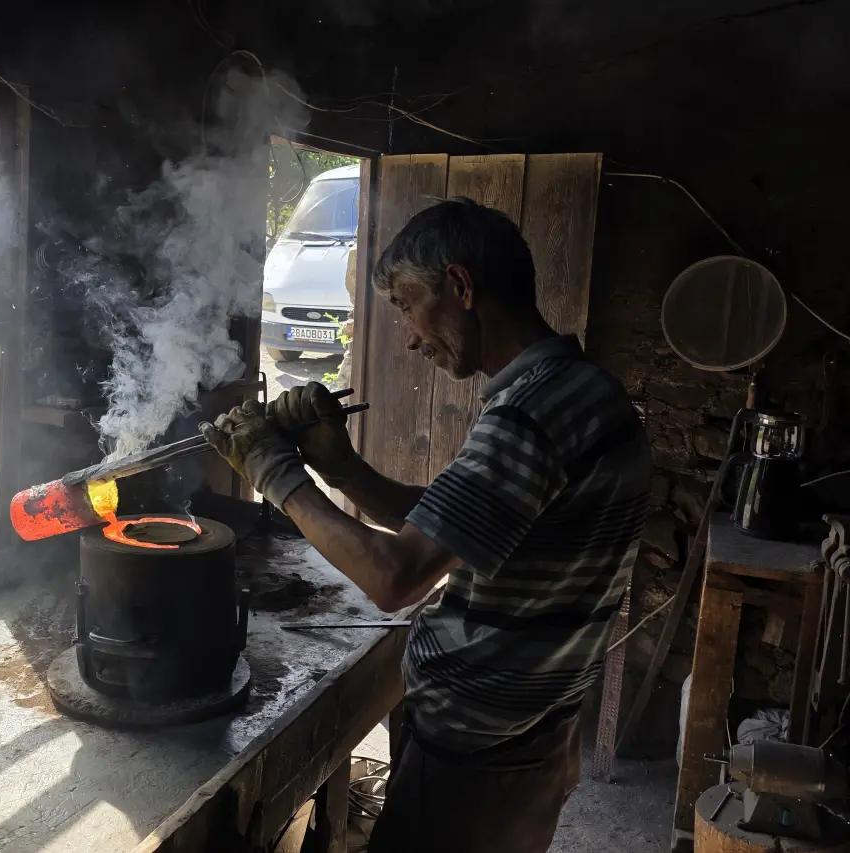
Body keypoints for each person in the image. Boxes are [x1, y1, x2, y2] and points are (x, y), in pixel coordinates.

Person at [201, 197, 651, 853]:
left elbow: (396, 577)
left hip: (477, 758)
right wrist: (343, 468)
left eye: (410, 306)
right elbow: (461, 525)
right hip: (535, 732)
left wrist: (274, 470)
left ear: (461, 286)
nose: (411, 337)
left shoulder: (526, 418)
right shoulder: (587, 391)